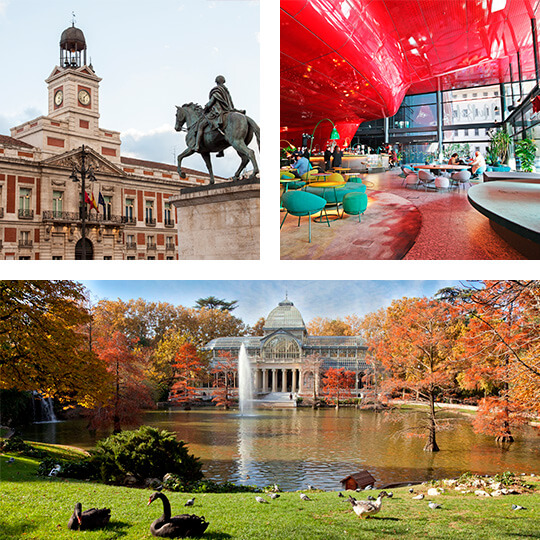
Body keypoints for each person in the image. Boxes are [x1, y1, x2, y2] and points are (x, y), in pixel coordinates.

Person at [195, 75, 244, 155]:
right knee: (224, 131)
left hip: (218, 111)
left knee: (201, 125)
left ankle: (197, 145)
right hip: (228, 110)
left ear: (216, 82)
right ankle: (221, 151)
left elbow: (211, 102)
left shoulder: (216, 90)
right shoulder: (226, 90)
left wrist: (206, 107)